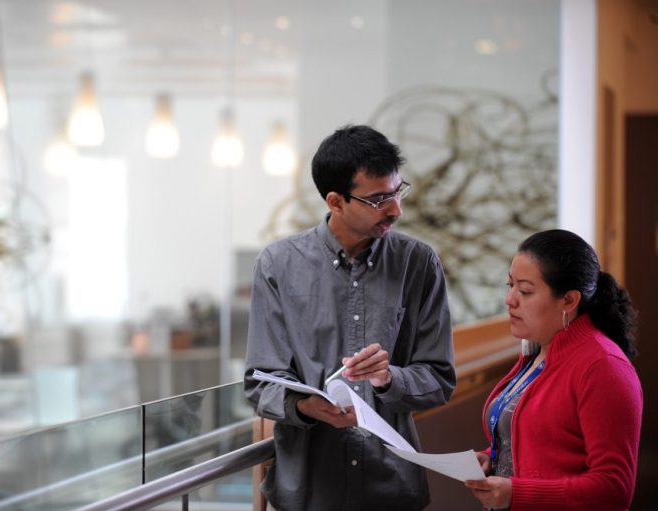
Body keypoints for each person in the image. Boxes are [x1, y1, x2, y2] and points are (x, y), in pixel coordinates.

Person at [244, 124, 456, 511]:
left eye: (397, 191)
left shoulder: (418, 263)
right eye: (378, 199)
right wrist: (306, 405)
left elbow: (439, 379)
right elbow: (259, 382)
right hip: (308, 490)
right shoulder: (278, 265)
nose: (396, 209)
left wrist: (389, 378)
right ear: (335, 201)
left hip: (392, 487)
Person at [465, 229, 643, 511]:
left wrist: (516, 493)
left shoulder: (603, 366)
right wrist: (493, 457)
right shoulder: (538, 349)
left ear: (569, 301)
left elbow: (614, 489)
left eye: (524, 291)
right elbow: (545, 442)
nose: (510, 299)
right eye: (509, 285)